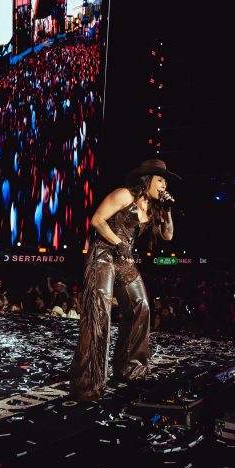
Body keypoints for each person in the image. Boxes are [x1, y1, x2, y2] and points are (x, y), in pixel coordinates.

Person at [68, 159, 178, 400]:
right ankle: (87, 382)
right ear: (147, 179)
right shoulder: (124, 195)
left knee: (142, 307)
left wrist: (168, 209)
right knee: (100, 312)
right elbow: (97, 220)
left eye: (166, 181)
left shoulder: (152, 208)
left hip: (124, 259)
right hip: (104, 255)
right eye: (160, 179)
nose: (164, 184)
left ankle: (130, 368)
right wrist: (119, 244)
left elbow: (168, 236)